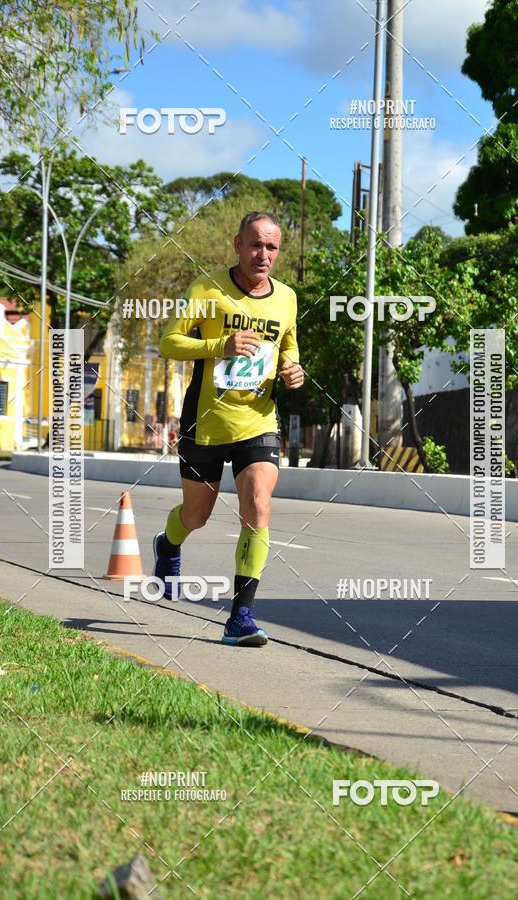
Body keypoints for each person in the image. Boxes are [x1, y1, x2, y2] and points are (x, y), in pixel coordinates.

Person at [153, 211, 304, 646]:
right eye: (255, 244)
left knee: (257, 505)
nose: (263, 254)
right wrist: (220, 344)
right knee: (196, 516)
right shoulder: (207, 289)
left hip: (258, 420)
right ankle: (168, 543)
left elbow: (289, 346)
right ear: (236, 244)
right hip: (206, 423)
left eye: (272, 247)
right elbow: (169, 342)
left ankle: (241, 615)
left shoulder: (287, 299)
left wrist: (294, 370)